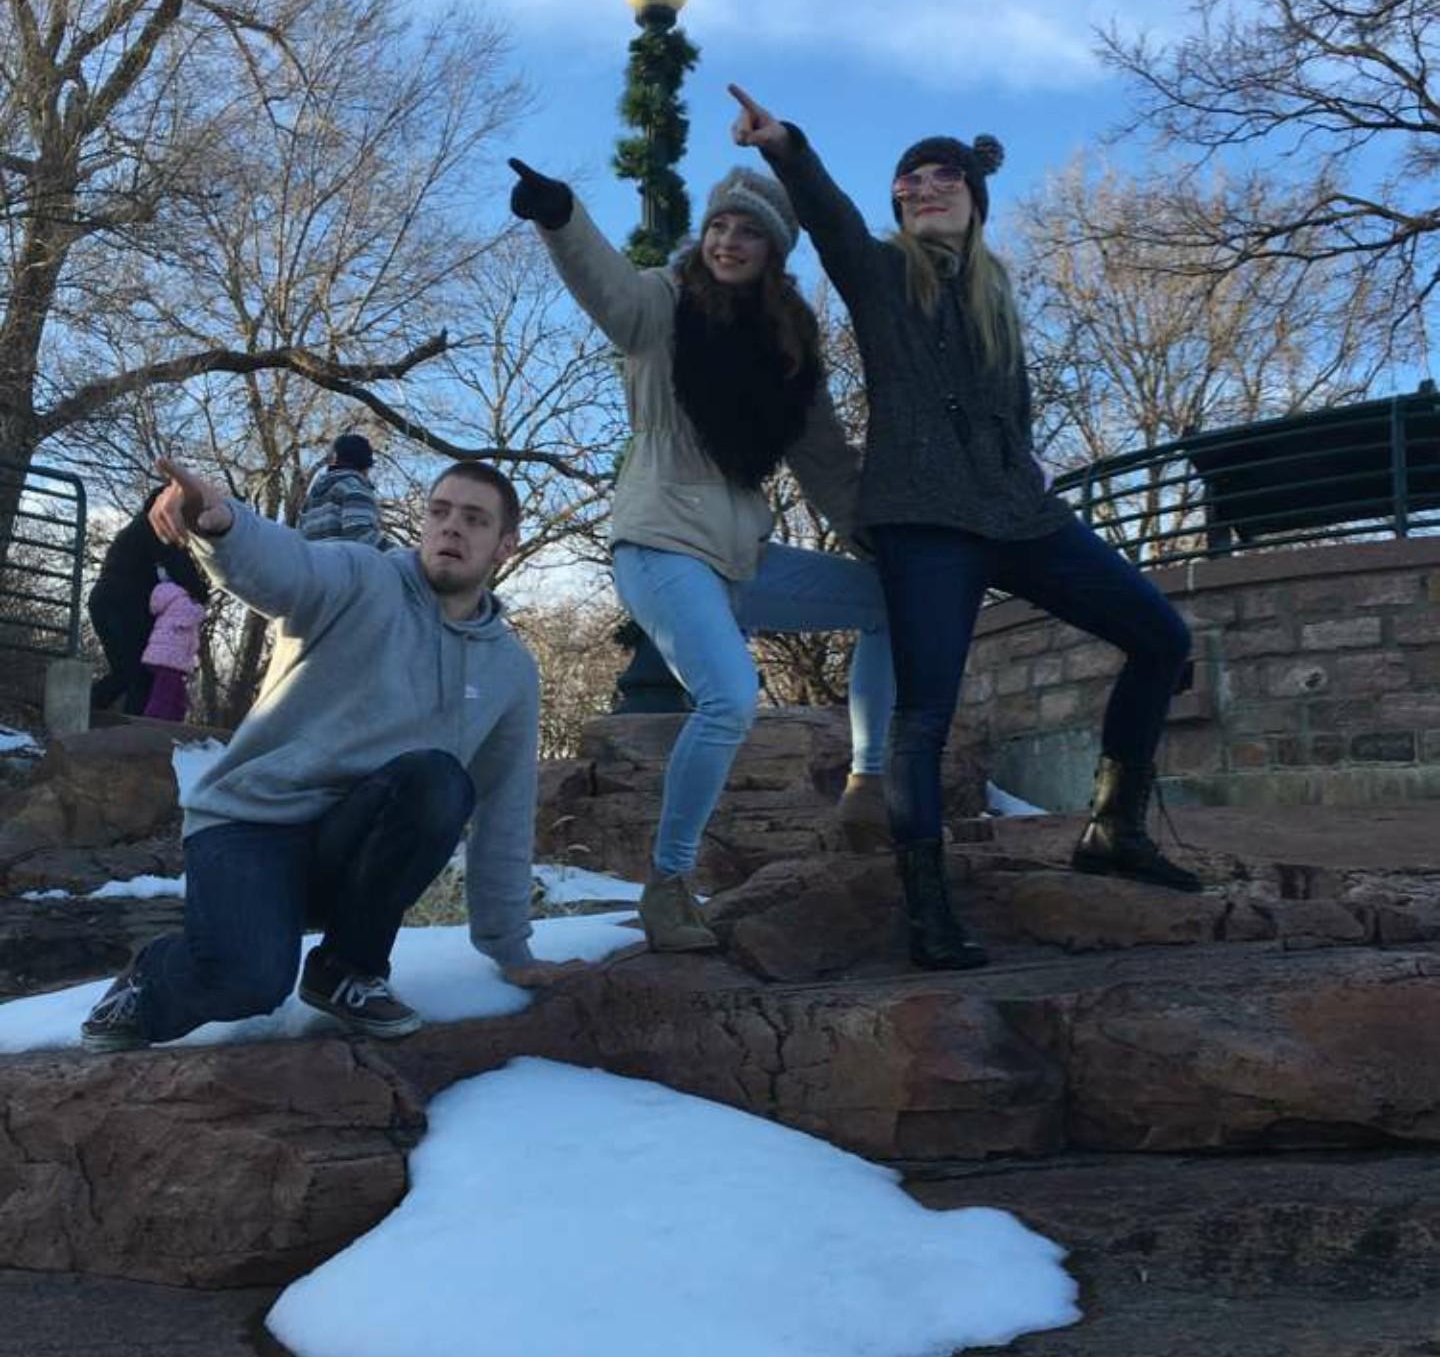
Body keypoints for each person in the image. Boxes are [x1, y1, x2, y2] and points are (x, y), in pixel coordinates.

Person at [728, 84, 1198, 973]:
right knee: (925, 714)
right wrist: (784, 146)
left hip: (1020, 513)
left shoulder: (997, 296)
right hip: (923, 520)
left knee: (1161, 635)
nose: (928, 183)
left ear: (975, 199)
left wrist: (1028, 467)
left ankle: (1113, 829)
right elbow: (825, 216)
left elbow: (1011, 414)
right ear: (898, 198)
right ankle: (929, 909)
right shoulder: (876, 272)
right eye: (912, 175)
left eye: (947, 173)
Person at [508, 156, 896, 954]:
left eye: (748, 230)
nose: (727, 240)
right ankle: (669, 883)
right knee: (729, 698)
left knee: (890, 600)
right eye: (719, 224)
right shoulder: (662, 305)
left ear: (773, 249)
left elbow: (827, 463)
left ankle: (867, 783)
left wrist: (892, 539)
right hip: (658, 544)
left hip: (740, 554)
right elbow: (605, 286)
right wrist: (561, 215)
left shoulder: (790, 349)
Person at [81, 455, 577, 1054]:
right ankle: (151, 979)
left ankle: (347, 969)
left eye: (474, 519)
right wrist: (221, 524)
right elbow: (289, 569)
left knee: (439, 781)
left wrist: (509, 946)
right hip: (251, 824)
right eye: (440, 512)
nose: (451, 528)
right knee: (248, 982)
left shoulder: (511, 670)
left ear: (505, 545)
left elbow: (506, 805)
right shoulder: (363, 576)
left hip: (347, 840)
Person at [89, 490, 209, 715]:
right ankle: (131, 739)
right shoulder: (157, 529)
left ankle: (82, 711)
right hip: (123, 607)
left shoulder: (136, 529)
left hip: (103, 601)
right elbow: (186, 574)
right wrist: (200, 592)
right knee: (141, 678)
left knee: (125, 673)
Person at [298, 432, 392, 548]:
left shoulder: (311, 498)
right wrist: (400, 554)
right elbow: (360, 535)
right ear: (366, 464)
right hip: (344, 564)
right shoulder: (354, 488)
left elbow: (301, 536)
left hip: (311, 563)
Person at [139, 568, 208, 723]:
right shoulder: (180, 598)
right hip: (170, 658)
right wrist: (201, 607)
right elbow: (190, 617)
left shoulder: (168, 597)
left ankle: (174, 727)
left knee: (177, 700)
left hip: (165, 656)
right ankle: (149, 725)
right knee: (164, 697)